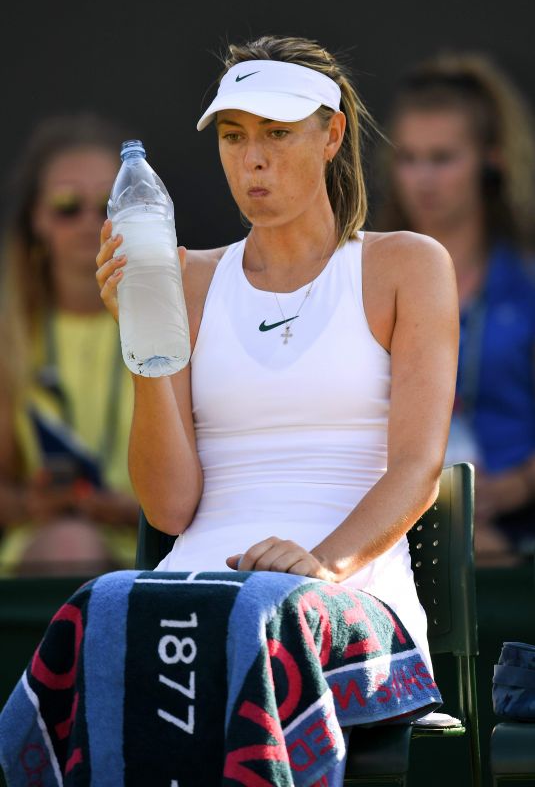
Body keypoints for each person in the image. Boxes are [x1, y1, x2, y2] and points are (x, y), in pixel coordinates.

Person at [96, 35, 458, 667]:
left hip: (345, 596)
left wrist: (321, 565)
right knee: (92, 622)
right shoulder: (182, 279)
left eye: (277, 133)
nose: (252, 159)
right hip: (195, 596)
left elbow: (418, 469)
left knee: (257, 639)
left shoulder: (409, 265)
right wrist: (144, 342)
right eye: (233, 137)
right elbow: (170, 508)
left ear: (332, 136)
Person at [374, 52, 535, 564]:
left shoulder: (528, 277)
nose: (423, 178)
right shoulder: (360, 275)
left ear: (493, 157)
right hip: (391, 535)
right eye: (407, 158)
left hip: (520, 534)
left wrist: (519, 484)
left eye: (442, 158)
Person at [0, 114, 139, 575]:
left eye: (106, 204)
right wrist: (31, 503)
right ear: (36, 219)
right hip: (48, 546)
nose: (88, 221)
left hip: (154, 539)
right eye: (65, 204)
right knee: (70, 543)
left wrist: (134, 511)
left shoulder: (181, 317)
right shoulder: (9, 333)